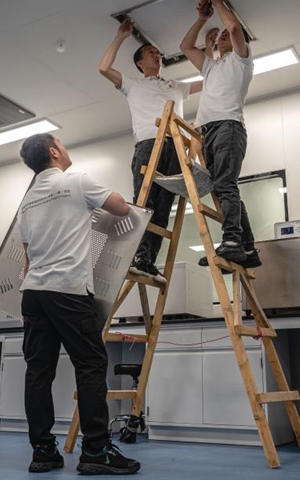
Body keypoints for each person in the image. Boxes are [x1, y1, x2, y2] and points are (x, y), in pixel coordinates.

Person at [17, 133, 141, 475]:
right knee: (90, 365)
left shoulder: (26, 201)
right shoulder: (76, 181)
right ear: (54, 152)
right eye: (62, 143)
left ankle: (43, 452)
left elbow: (27, 258)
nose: (65, 148)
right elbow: (121, 208)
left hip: (34, 293)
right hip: (69, 290)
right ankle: (96, 451)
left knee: (38, 372)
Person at [99, 18, 203, 283]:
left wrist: (211, 50)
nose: (157, 55)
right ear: (140, 63)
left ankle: (147, 260)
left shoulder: (176, 86)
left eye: (158, 52)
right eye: (150, 52)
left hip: (175, 147)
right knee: (145, 203)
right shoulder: (132, 85)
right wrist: (121, 36)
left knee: (164, 208)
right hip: (148, 143)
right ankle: (137, 257)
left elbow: (210, 80)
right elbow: (103, 68)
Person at [180, 0, 261, 269]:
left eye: (228, 34)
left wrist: (216, 2)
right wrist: (202, 20)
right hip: (208, 133)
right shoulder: (210, 67)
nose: (225, 34)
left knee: (226, 186)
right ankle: (247, 248)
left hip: (228, 127)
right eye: (221, 34)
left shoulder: (242, 60)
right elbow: (185, 47)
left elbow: (235, 28)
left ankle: (232, 241)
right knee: (223, 188)